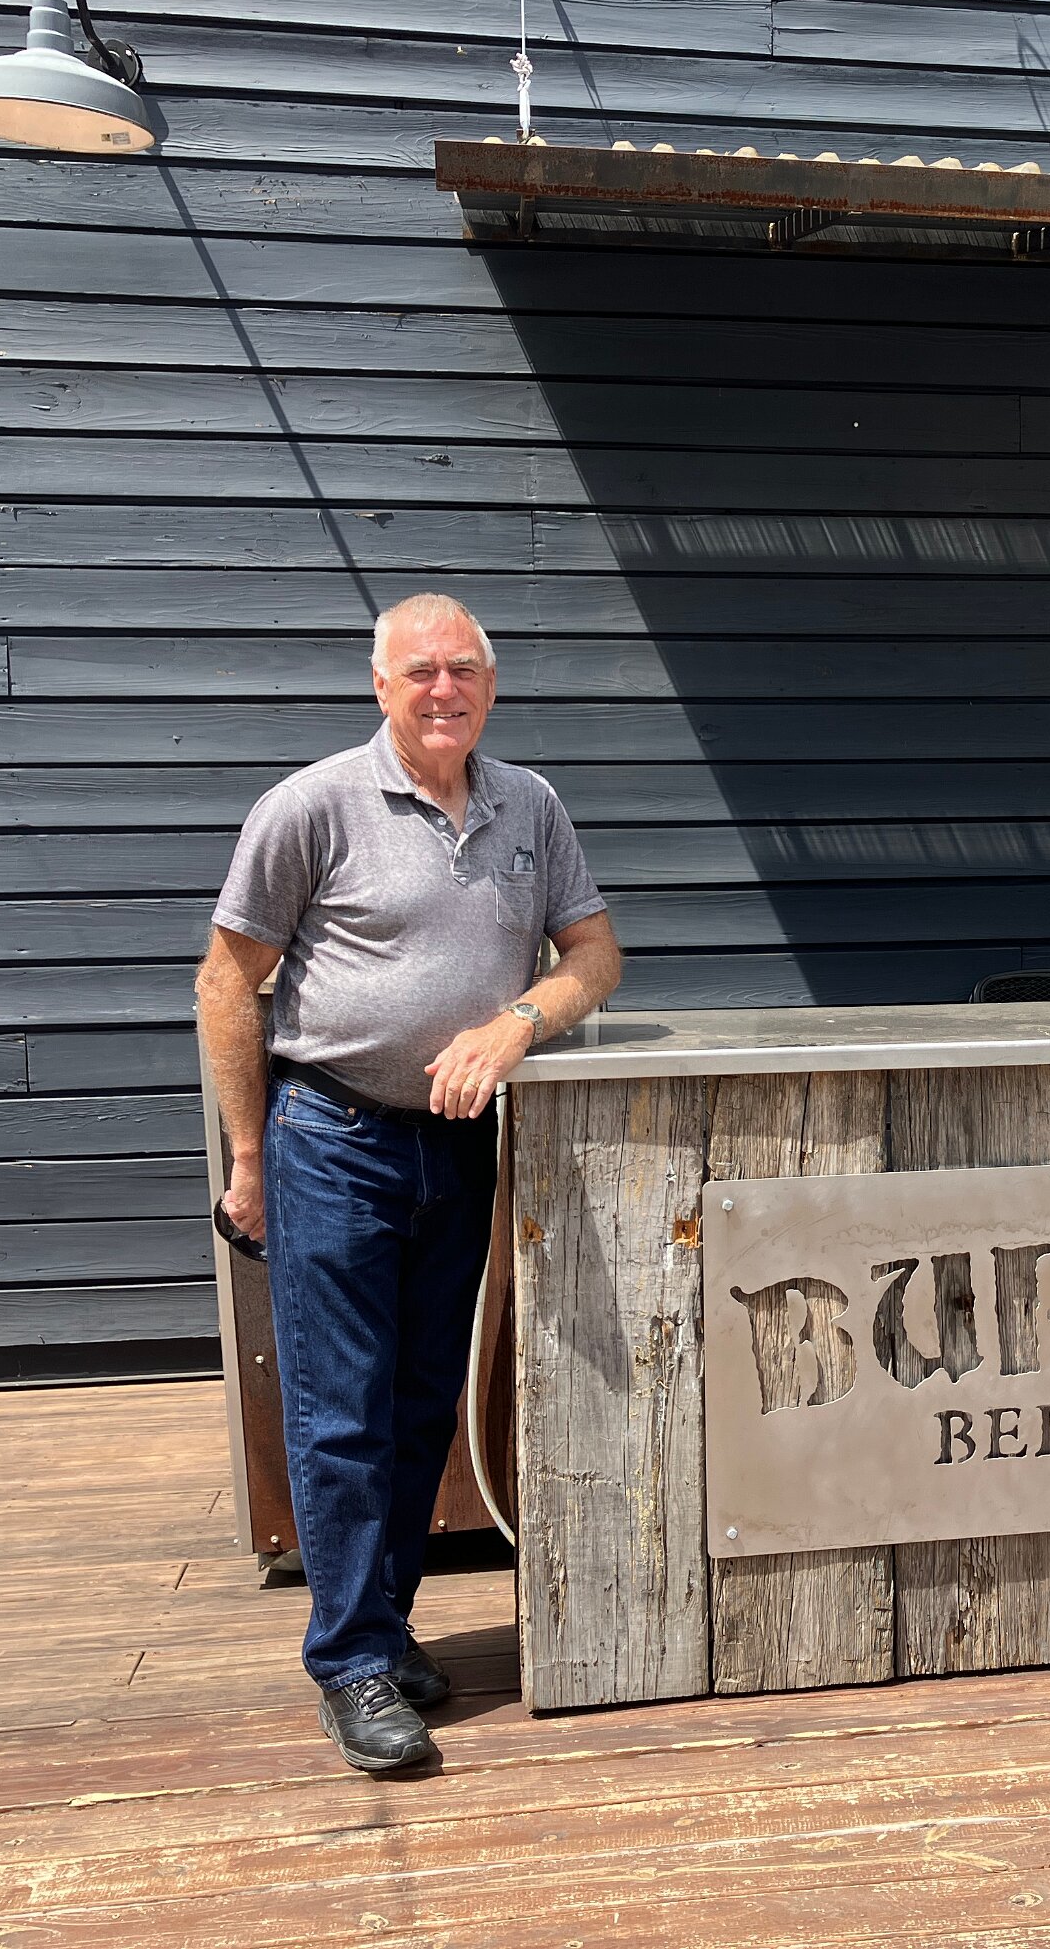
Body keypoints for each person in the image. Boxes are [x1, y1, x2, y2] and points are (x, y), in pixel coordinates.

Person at [197, 592, 622, 1772]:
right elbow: (227, 984)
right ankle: (350, 1663)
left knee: (422, 1399)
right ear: (380, 685)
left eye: (464, 669)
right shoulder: (311, 806)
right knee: (341, 1410)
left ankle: (381, 1627)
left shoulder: (530, 805)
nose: (445, 689)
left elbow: (594, 954)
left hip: (459, 1144)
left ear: (492, 684)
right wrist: (248, 1158)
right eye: (421, 670)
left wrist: (517, 1023)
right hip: (332, 1138)